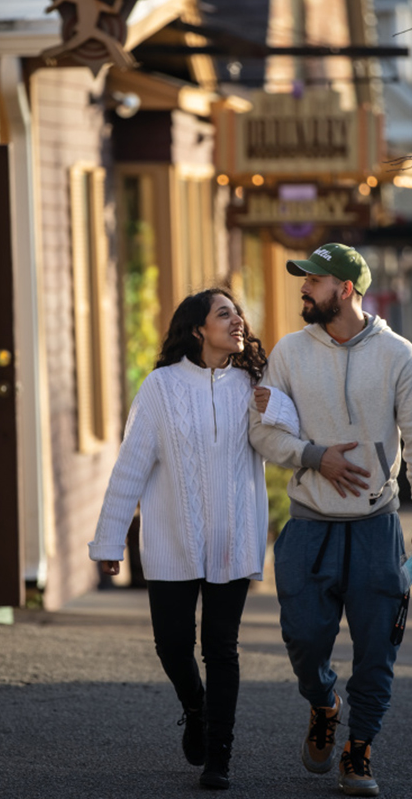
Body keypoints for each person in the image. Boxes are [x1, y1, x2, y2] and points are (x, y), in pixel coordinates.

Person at [249, 243, 412, 798]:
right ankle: (323, 701)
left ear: (347, 290)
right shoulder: (287, 353)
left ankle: (358, 752)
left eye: (314, 280)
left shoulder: (399, 355)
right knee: (305, 640)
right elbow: (261, 429)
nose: (303, 288)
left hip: (375, 524)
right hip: (310, 523)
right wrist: (316, 456)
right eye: (304, 279)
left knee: (377, 649)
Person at [88, 288, 297, 790]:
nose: (237, 321)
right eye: (224, 314)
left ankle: (219, 756)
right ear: (199, 328)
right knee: (172, 645)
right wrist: (108, 541)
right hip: (170, 540)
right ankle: (195, 707)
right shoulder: (160, 388)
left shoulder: (254, 383)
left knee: (221, 647)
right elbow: (130, 468)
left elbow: (289, 435)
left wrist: (279, 408)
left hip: (233, 537)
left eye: (238, 313)